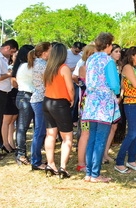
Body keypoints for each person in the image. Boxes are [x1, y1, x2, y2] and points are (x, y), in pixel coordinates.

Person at [81, 32, 121, 183]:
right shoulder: (108, 60)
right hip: (104, 103)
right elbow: (114, 84)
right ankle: (95, 174)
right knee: (100, 139)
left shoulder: (91, 59)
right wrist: (116, 92)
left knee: (92, 138)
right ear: (108, 45)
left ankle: (89, 173)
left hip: (91, 102)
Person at [42, 43, 75, 179]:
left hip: (47, 101)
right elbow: (70, 88)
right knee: (67, 137)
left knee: (50, 134)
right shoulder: (64, 68)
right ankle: (62, 167)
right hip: (60, 103)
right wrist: (72, 99)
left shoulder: (48, 68)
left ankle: (50, 164)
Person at [75, 44, 96, 172]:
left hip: (93, 104)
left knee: (91, 133)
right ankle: (81, 163)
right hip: (87, 104)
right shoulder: (84, 68)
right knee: (85, 133)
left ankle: (89, 160)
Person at [30, 42, 51, 170]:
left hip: (38, 99)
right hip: (40, 100)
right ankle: (36, 161)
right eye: (50, 50)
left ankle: (36, 159)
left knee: (40, 131)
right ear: (44, 53)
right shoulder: (42, 65)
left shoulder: (38, 63)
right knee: (39, 132)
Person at [14, 44, 35, 165]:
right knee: (22, 127)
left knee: (22, 127)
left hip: (22, 96)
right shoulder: (28, 67)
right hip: (27, 97)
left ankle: (21, 153)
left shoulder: (21, 66)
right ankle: (21, 154)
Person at [103, 43, 123, 163]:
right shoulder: (107, 64)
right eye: (116, 51)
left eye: (120, 51)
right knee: (106, 127)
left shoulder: (119, 66)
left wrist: (120, 96)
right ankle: (101, 154)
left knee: (113, 127)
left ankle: (105, 153)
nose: (118, 54)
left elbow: (122, 84)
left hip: (117, 98)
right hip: (108, 99)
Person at [1, 48, 20, 155]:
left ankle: (11, 142)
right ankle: (5, 143)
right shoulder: (9, 68)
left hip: (17, 95)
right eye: (15, 55)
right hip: (9, 94)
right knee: (6, 121)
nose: (16, 57)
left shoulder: (20, 67)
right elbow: (14, 83)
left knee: (12, 120)